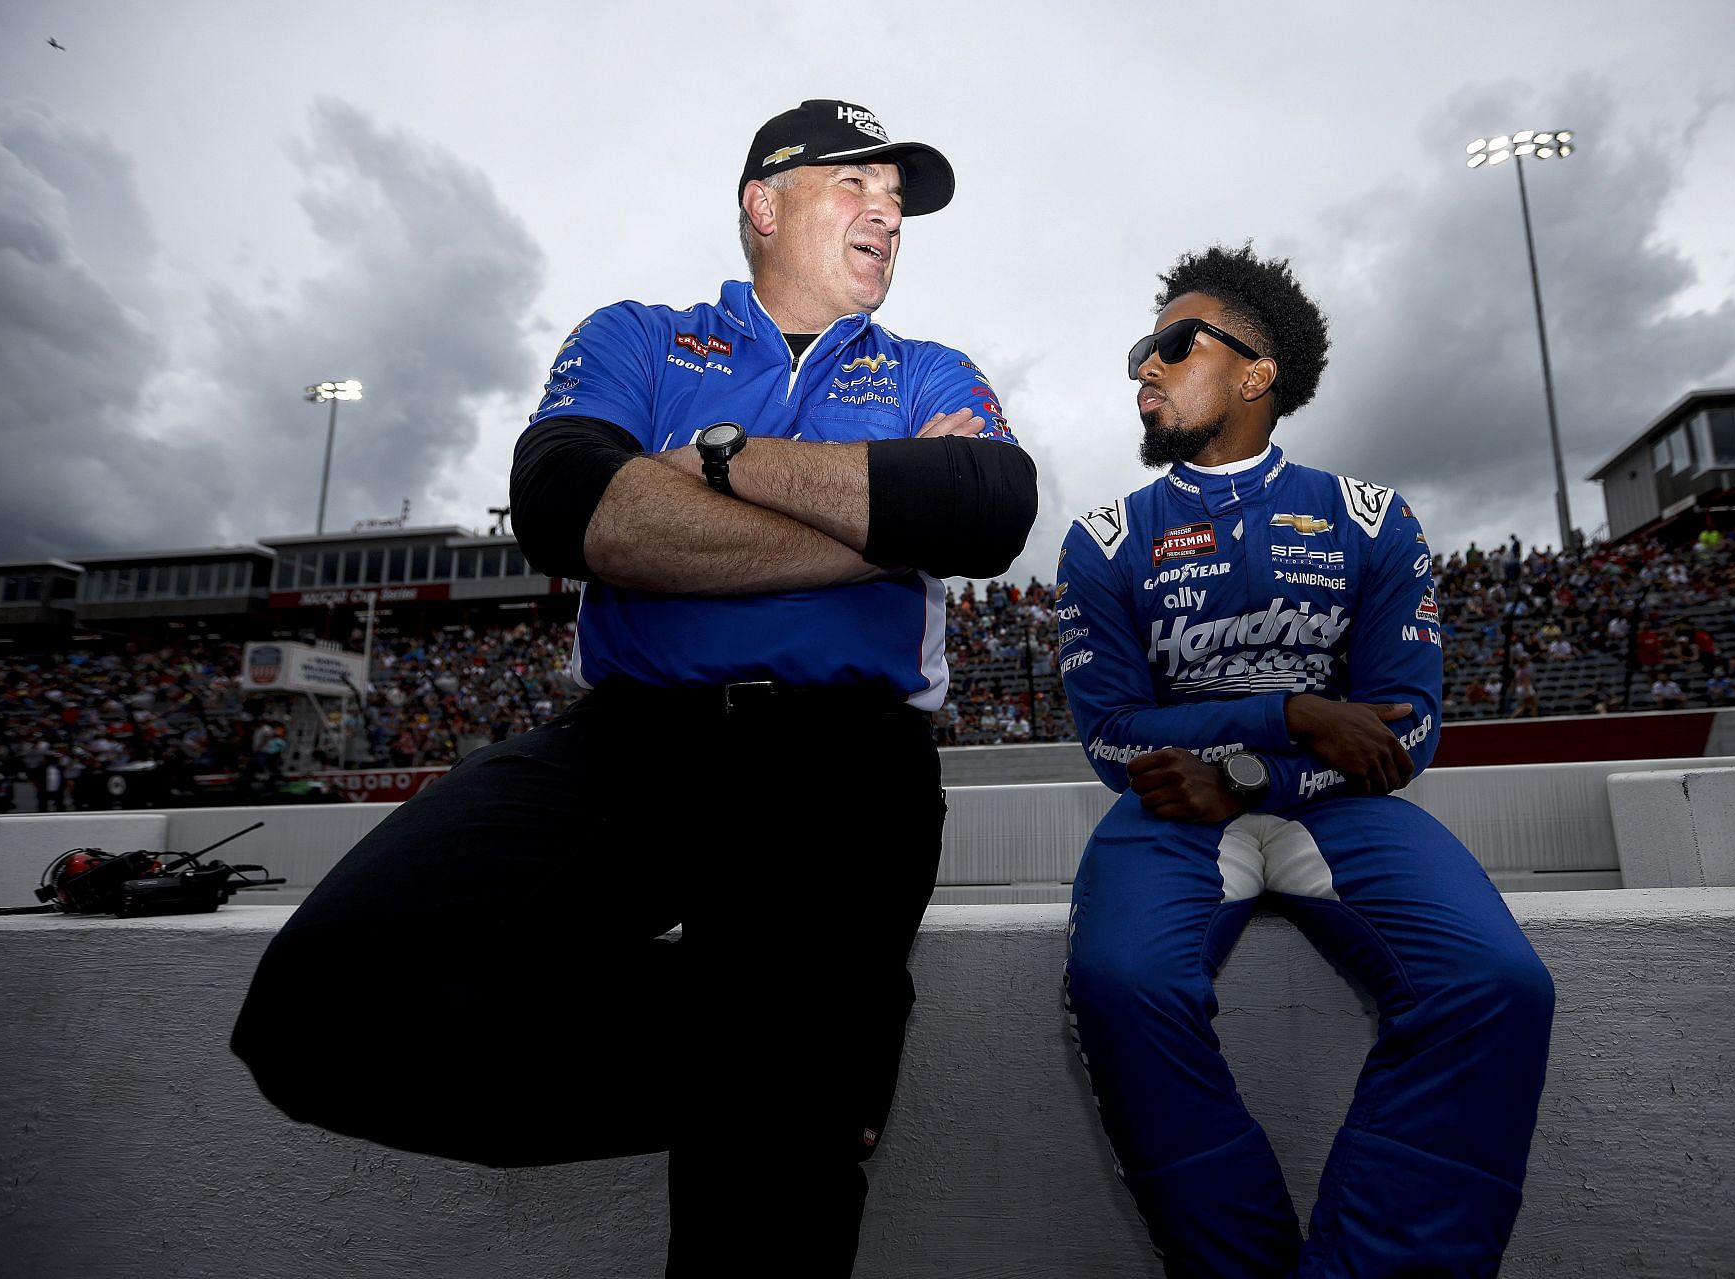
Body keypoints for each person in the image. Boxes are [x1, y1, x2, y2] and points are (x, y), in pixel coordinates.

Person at [230, 98, 1036, 1275]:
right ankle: (799, 1052)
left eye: (900, 200)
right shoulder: (643, 337)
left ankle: (796, 1070)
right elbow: (567, 506)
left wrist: (717, 461)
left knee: (761, 1205)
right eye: (857, 183)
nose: (889, 212)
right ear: (764, 204)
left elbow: (986, 508)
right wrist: (879, 521)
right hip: (634, 742)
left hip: (847, 766)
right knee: (318, 1014)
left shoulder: (929, 369)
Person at [1056, 244, 1553, 1276]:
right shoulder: (1102, 539)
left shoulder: (1373, 519)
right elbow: (1111, 734)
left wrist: (1250, 772)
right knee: (1119, 983)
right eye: (1137, 355)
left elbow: (1405, 728)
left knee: (1498, 983)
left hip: (1330, 808)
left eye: (1170, 346)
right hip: (1169, 811)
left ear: (1255, 371)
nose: (1143, 369)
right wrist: (1295, 710)